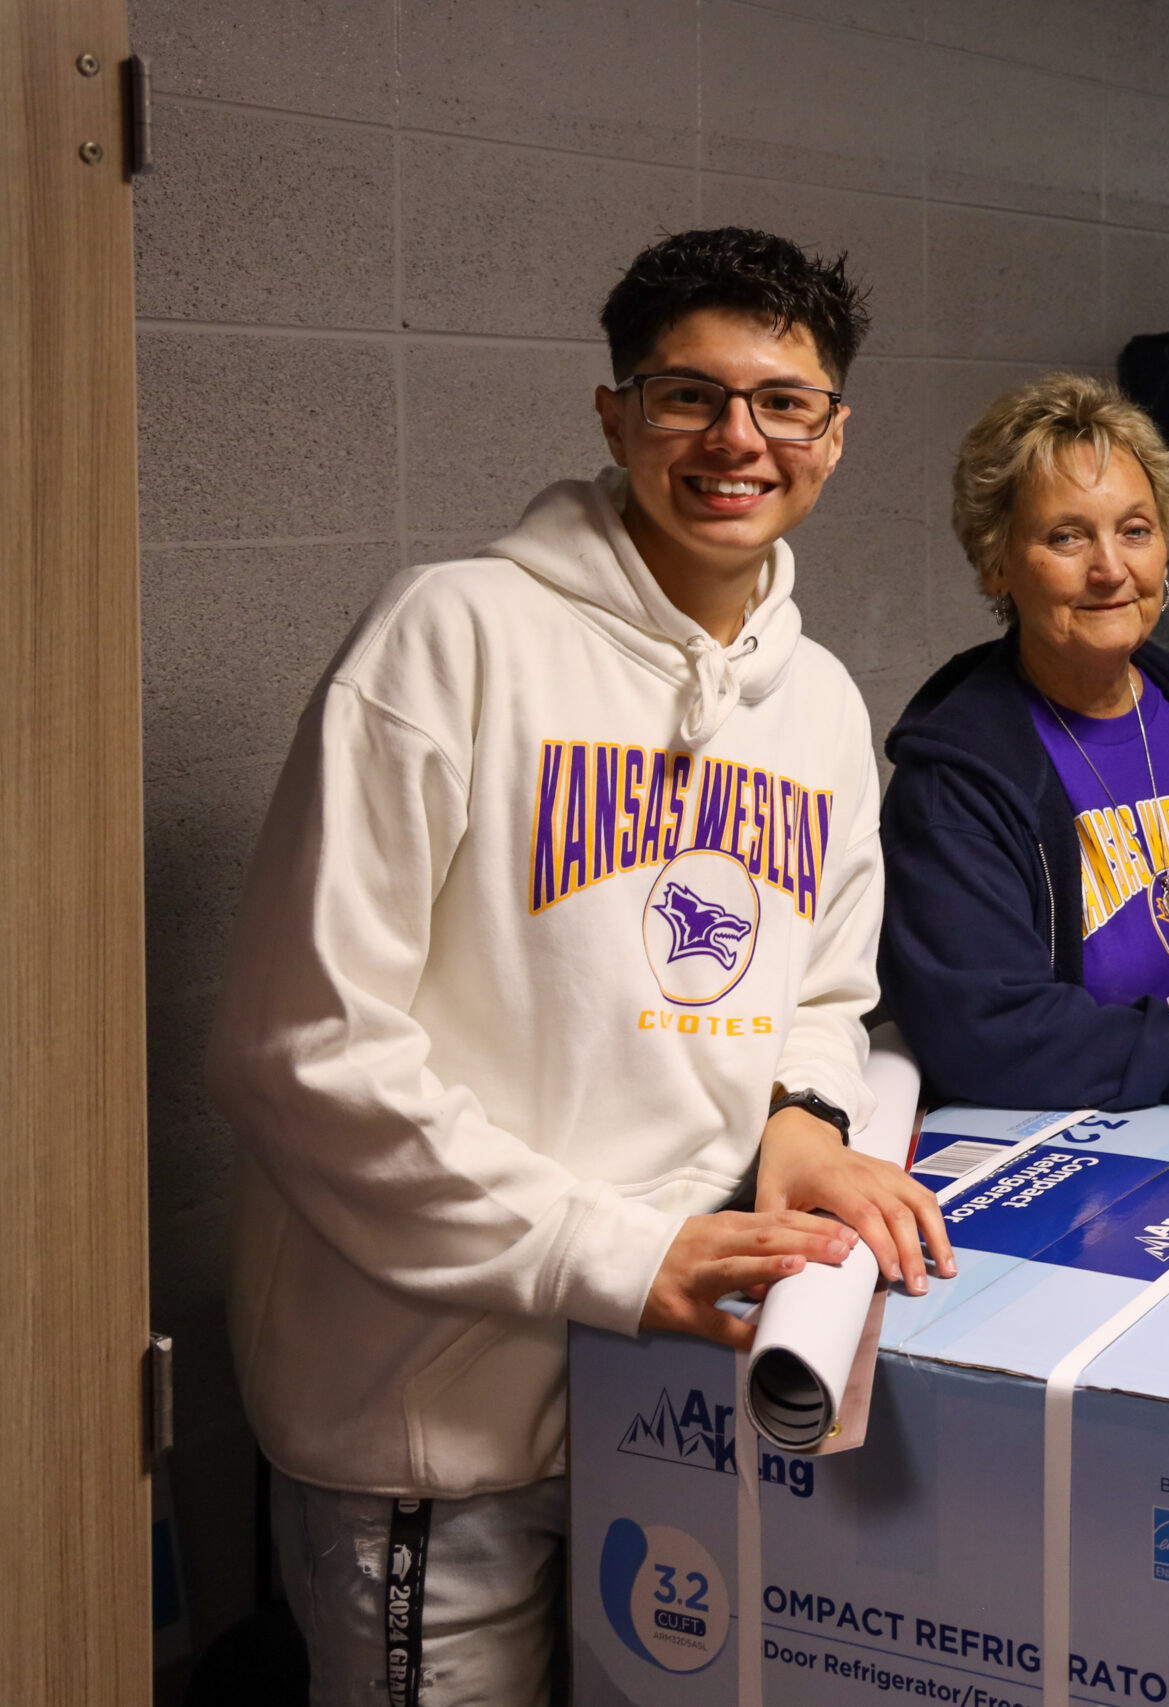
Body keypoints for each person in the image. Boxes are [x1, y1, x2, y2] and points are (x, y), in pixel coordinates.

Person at [208, 227, 953, 1702]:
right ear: (615, 416)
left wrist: (805, 1116)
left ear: (834, 435)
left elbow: (823, 987)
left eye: (782, 401)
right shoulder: (449, 637)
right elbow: (303, 1049)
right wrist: (616, 1256)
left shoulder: (816, 698)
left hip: (667, 1390)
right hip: (436, 1418)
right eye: (688, 395)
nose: (736, 439)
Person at [879, 373, 1169, 1110]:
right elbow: (992, 1033)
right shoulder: (956, 777)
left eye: (1135, 530)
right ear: (996, 563)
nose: (1111, 569)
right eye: (1067, 537)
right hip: (1113, 1133)